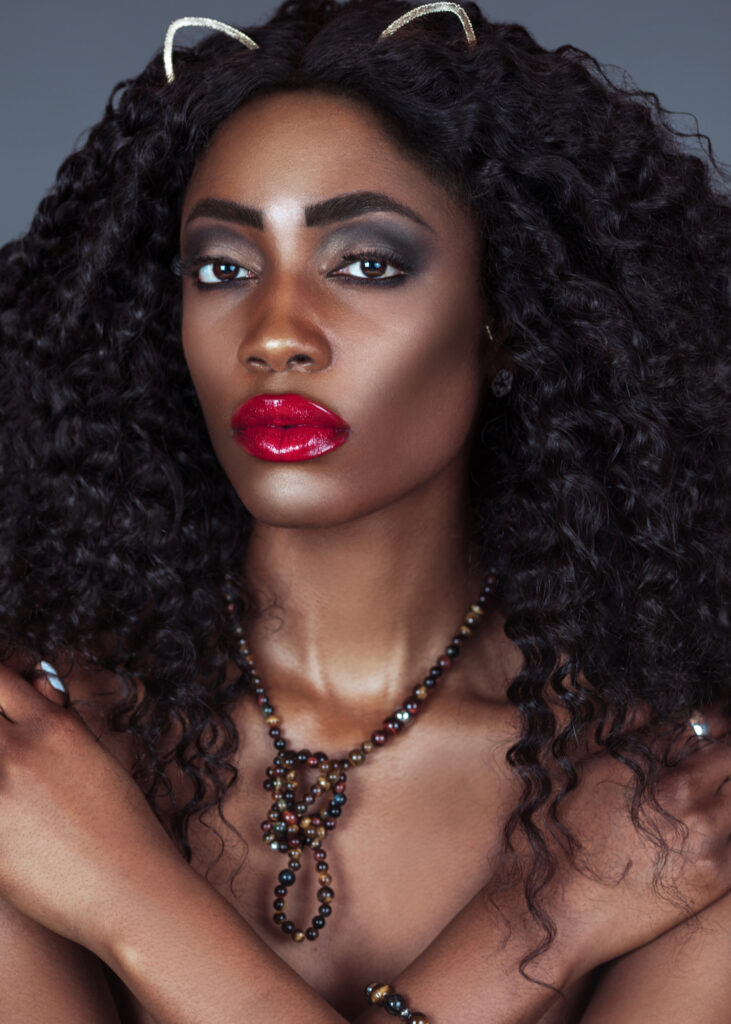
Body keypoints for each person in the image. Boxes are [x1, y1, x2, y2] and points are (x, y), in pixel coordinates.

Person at [0, 1, 728, 1021]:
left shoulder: (666, 792)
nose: (276, 334)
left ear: (506, 319)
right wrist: (539, 930)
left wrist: (128, 899)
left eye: (366, 265)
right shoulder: (39, 744)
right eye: (222, 268)